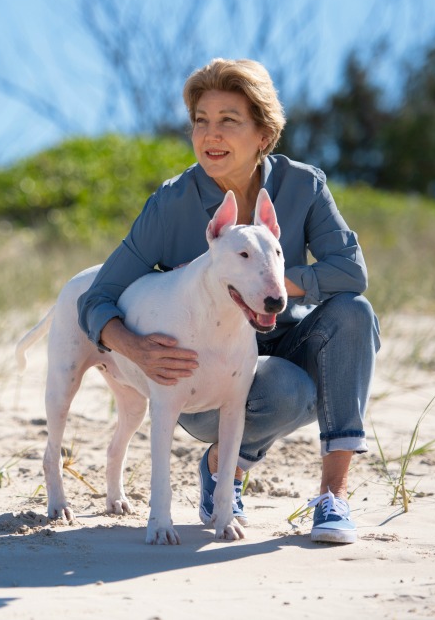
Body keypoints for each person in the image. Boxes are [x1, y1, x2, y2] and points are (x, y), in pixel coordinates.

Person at [77, 58, 380, 545]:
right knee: (285, 387)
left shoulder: (303, 186)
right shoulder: (172, 203)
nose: (210, 135)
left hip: (285, 338)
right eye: (201, 121)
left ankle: (333, 496)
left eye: (228, 121)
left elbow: (350, 272)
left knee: (353, 314)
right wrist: (134, 348)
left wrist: (270, 282)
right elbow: (98, 297)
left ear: (263, 133)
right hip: (199, 371)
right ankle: (223, 471)